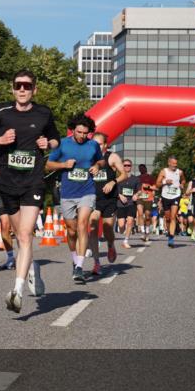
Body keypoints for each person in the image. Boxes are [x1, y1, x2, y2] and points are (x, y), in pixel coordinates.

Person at [0, 69, 60, 312]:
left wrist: (48, 143)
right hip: (7, 183)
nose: (22, 90)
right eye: (18, 85)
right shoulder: (2, 111)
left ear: (35, 89)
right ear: (12, 88)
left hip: (33, 181)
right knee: (17, 236)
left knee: (25, 235)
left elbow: (56, 139)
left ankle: (17, 290)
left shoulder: (43, 113)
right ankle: (32, 269)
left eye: (27, 86)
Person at [46, 113, 100, 284]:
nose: (83, 136)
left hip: (87, 190)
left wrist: (97, 166)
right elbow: (48, 165)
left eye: (86, 133)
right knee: (71, 230)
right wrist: (63, 165)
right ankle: (74, 259)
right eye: (79, 132)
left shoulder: (93, 145)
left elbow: (101, 161)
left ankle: (79, 266)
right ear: (72, 130)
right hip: (68, 192)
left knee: (83, 224)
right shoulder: (62, 144)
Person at [90, 132, 127, 275]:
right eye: (94, 143)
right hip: (93, 198)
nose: (96, 146)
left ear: (105, 145)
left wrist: (113, 181)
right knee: (92, 227)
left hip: (109, 200)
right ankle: (96, 263)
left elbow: (124, 174)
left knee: (107, 229)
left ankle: (111, 245)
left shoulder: (112, 157)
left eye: (99, 144)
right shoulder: (89, 158)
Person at [156, 157, 186, 248]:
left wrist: (182, 184)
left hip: (176, 196)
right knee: (168, 218)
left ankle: (171, 238)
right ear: (169, 163)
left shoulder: (180, 172)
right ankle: (169, 233)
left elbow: (184, 180)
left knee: (173, 216)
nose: (175, 165)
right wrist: (165, 181)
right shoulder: (163, 171)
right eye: (173, 163)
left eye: (176, 163)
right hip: (165, 196)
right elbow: (157, 184)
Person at [114, 159, 140, 249]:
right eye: (125, 165)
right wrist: (120, 195)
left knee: (130, 221)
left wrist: (136, 195)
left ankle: (126, 241)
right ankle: (122, 231)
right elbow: (114, 190)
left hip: (131, 203)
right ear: (122, 166)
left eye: (128, 165)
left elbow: (139, 190)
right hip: (120, 203)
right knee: (121, 226)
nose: (127, 167)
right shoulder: (118, 178)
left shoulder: (135, 179)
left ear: (131, 166)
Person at [136, 163, 156, 242]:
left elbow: (155, 188)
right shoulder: (137, 178)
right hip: (140, 198)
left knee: (147, 216)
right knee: (140, 213)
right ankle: (142, 232)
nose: (141, 169)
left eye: (142, 168)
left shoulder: (150, 177)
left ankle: (147, 232)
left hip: (148, 198)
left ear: (145, 169)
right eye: (139, 168)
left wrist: (147, 186)